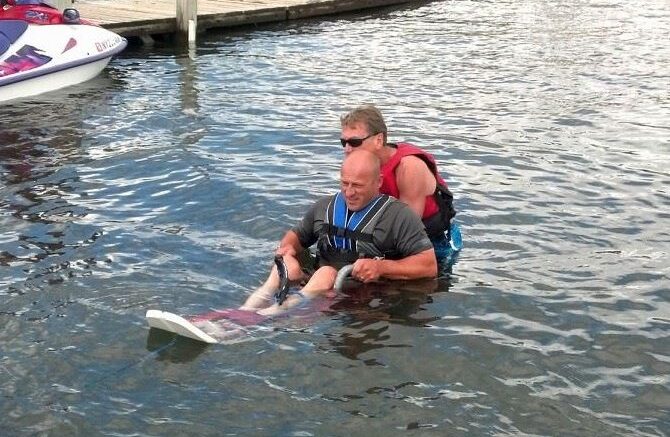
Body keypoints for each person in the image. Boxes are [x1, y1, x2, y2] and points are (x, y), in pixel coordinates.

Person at [241, 150, 437, 316]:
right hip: (316, 285)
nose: (349, 192)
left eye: (358, 185)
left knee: (326, 273)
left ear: (378, 182)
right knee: (283, 267)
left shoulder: (400, 216)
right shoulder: (324, 207)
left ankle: (274, 313)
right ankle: (247, 310)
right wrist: (287, 250)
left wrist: (382, 268)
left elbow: (429, 266)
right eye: (345, 183)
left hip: (360, 296)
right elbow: (295, 236)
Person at [339, 104, 461, 261]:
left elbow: (409, 230)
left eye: (355, 142)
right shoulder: (359, 167)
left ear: (379, 140)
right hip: (389, 234)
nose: (347, 149)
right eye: (344, 143)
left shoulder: (408, 167)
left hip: (436, 245)